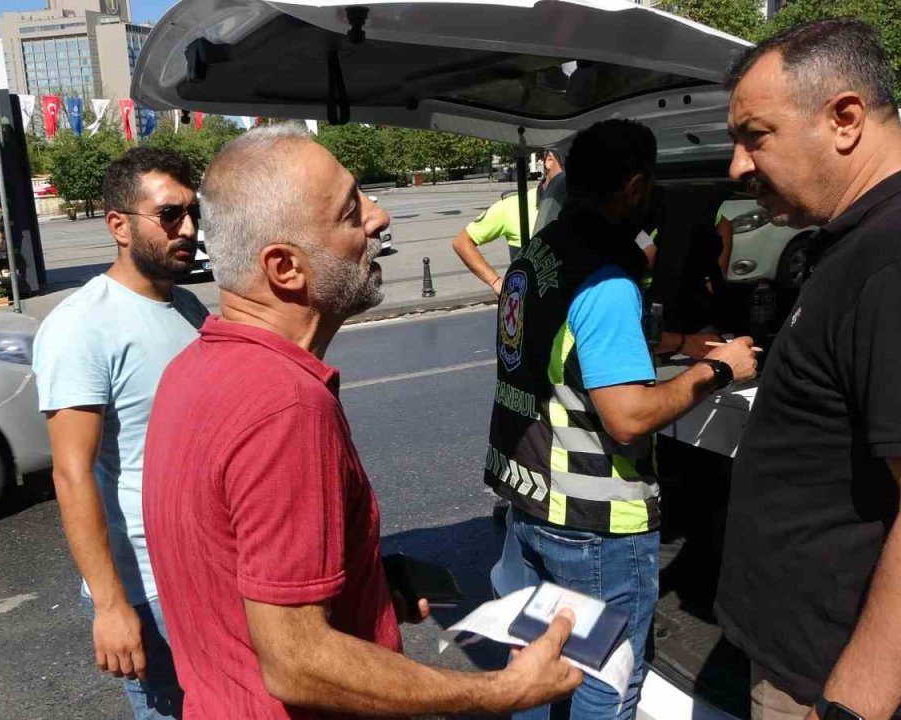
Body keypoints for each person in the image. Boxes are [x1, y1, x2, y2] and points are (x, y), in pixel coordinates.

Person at [141, 124, 583, 719]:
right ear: (285, 267)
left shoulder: (193, 367)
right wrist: (502, 691)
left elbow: (229, 569)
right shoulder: (285, 405)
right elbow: (297, 662)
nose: (379, 218)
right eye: (352, 210)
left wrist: (366, 584)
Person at [715, 19, 901, 720]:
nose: (737, 166)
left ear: (844, 118)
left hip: (851, 688)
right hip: (816, 664)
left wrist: (851, 706)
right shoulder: (870, 242)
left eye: (755, 135)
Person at [485, 119, 758, 720]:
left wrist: (690, 344)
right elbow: (630, 416)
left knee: (533, 666)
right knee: (604, 686)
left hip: (531, 503)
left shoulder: (540, 255)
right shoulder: (608, 278)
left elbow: (577, 348)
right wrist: (719, 371)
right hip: (596, 521)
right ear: (636, 187)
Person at [33, 146, 207, 720]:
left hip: (209, 569)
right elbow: (71, 472)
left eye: (193, 213)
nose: (188, 228)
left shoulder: (188, 306)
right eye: (170, 215)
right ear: (119, 226)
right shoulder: (80, 325)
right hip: (154, 591)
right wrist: (111, 606)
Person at [453, 149, 562, 294]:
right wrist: (495, 281)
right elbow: (462, 242)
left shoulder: (586, 204)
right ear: (549, 159)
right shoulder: (514, 206)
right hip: (534, 308)